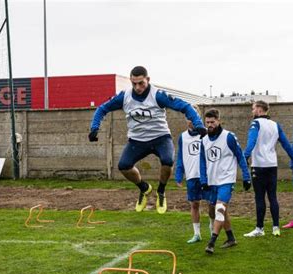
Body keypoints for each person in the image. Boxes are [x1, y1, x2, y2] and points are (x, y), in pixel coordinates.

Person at [88, 66, 206, 214]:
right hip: (137, 140)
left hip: (160, 138)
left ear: (148, 80)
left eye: (141, 83)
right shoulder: (125, 96)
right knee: (123, 166)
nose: (137, 87)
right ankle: (144, 188)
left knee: (168, 161)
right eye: (134, 83)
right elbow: (101, 109)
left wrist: (198, 124)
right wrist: (94, 128)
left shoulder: (158, 95)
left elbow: (185, 106)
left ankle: (161, 191)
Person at [243, 100, 293, 238]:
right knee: (273, 197)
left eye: (253, 109)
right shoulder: (275, 125)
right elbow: (287, 145)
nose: (252, 112)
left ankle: (260, 228)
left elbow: (251, 141)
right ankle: (276, 227)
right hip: (272, 166)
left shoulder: (255, 124)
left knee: (259, 198)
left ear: (259, 109)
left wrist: (245, 156)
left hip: (259, 166)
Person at [200, 108, 251, 254]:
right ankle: (231, 238)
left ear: (219, 121)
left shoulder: (228, 137)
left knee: (220, 209)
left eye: (212, 122)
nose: (210, 125)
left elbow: (240, 157)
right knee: (214, 211)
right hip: (212, 182)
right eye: (207, 122)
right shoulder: (203, 141)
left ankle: (211, 242)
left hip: (226, 180)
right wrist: (203, 180)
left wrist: (246, 177)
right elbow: (202, 162)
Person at [175, 106, 207, 244]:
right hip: (191, 176)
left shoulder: (206, 134)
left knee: (212, 204)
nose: (190, 120)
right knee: (194, 204)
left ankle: (213, 230)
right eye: (188, 117)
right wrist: (178, 173)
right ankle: (197, 234)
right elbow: (181, 156)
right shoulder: (182, 137)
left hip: (207, 175)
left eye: (193, 117)